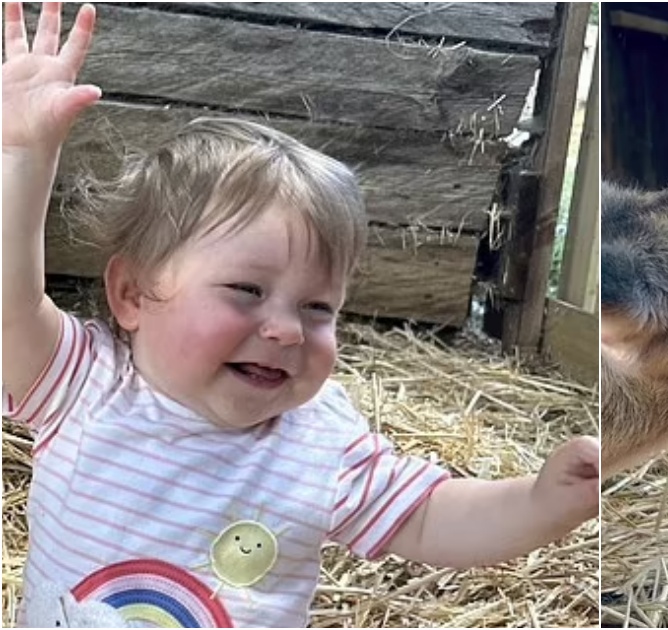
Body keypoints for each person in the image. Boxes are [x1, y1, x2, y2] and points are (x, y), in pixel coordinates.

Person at [2, 3, 598, 627]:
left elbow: (430, 518)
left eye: (318, 307)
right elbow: (10, 305)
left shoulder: (319, 444)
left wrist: (543, 501)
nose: (287, 329)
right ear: (133, 294)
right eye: (246, 290)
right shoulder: (83, 384)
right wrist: (20, 155)